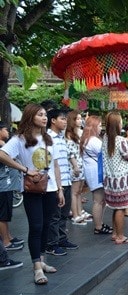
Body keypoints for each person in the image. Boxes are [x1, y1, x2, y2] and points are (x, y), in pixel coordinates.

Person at [0, 103, 65, 285]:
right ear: (30, 117)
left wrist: (60, 189)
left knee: (45, 226)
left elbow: (56, 165)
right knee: (36, 226)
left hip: (51, 189)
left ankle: (42, 260)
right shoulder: (20, 139)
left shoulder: (50, 138)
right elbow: (2, 154)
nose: (44, 118)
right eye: (40, 115)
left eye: (45, 115)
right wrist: (24, 169)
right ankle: (36, 267)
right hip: (32, 189)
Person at [46, 108, 79, 255]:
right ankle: (51, 244)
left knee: (64, 214)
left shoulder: (61, 137)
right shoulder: (47, 137)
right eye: (62, 119)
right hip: (54, 183)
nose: (65, 121)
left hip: (66, 180)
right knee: (54, 215)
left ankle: (61, 239)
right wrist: (58, 186)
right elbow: (52, 163)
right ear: (53, 120)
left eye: (66, 119)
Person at [102, 112, 128, 244]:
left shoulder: (105, 138)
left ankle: (115, 233)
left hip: (110, 179)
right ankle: (120, 236)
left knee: (116, 207)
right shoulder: (120, 140)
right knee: (121, 208)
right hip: (121, 179)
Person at [81, 115, 113, 235]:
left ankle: (99, 223)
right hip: (96, 173)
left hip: (93, 172)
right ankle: (98, 226)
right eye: (99, 126)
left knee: (100, 200)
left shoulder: (87, 139)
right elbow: (105, 152)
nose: (101, 128)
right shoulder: (93, 140)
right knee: (98, 200)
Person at [0, 123, 25, 251]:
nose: (8, 132)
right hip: (2, 185)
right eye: (5, 129)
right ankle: (5, 242)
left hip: (7, 185)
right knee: (2, 215)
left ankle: (8, 237)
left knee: (6, 214)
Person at [65, 110, 90, 225]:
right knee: (74, 192)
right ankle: (75, 214)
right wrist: (75, 165)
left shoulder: (78, 132)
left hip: (81, 163)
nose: (80, 121)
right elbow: (70, 152)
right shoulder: (68, 134)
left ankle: (80, 212)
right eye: (78, 119)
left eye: (81, 118)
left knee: (79, 191)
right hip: (74, 164)